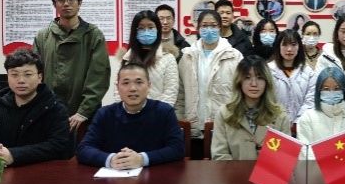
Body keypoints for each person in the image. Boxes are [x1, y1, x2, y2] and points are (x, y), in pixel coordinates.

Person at [33, 0, 111, 133]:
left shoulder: (93, 35)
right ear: (55, 4)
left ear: (79, 3)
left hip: (84, 115)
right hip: (49, 113)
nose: (66, 3)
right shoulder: (43, 36)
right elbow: (35, 75)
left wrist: (84, 111)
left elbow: (99, 77)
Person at [77, 63, 184, 168]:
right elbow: (84, 149)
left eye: (139, 82)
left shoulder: (164, 112)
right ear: (117, 87)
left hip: (154, 175)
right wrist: (111, 159)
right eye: (126, 83)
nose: (132, 88)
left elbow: (177, 148)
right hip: (114, 176)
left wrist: (142, 159)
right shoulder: (104, 114)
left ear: (149, 86)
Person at [0, 48, 72, 166]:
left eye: (28, 74)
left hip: (42, 172)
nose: (21, 80)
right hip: (0, 172)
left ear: (40, 77)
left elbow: (58, 145)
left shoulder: (55, 108)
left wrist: (14, 155)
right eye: (14, 75)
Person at [177, 10, 243, 141]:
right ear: (198, 28)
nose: (209, 29)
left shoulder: (234, 56)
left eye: (213, 26)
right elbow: (180, 94)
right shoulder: (187, 56)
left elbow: (240, 93)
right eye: (204, 26)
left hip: (223, 128)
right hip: (192, 128)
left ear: (220, 28)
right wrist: (180, 121)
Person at [212, 56, 290, 160]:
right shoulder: (224, 113)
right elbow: (219, 155)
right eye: (247, 78)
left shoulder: (280, 115)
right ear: (239, 81)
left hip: (267, 171)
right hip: (232, 170)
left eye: (260, 78)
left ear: (267, 82)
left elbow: (284, 158)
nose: (254, 84)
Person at [297, 67, 345, 159]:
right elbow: (305, 154)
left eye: (337, 88)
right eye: (326, 89)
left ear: (344, 90)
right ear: (319, 91)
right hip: (314, 168)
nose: (331, 92)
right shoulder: (307, 119)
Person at [118, 10, 178, 106]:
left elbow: (170, 92)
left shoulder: (168, 58)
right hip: (130, 113)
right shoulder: (126, 58)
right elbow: (118, 91)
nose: (146, 32)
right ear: (135, 31)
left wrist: (157, 112)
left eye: (150, 27)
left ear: (158, 30)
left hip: (159, 113)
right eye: (141, 28)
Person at [268, 29, 316, 122]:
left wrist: (297, 122)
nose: (289, 49)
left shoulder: (308, 72)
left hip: (301, 124)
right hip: (274, 124)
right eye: (285, 45)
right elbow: (267, 100)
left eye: (293, 45)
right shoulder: (268, 70)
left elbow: (310, 101)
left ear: (299, 47)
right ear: (278, 47)